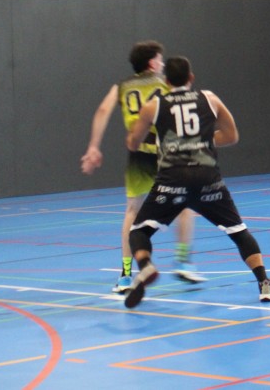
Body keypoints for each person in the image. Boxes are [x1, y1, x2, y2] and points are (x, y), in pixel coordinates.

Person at [122, 56, 270, 308]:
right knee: (238, 232)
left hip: (172, 180)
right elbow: (231, 135)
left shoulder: (154, 106)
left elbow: (133, 142)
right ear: (191, 78)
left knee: (139, 231)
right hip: (207, 179)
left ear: (166, 81)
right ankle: (265, 284)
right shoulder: (210, 98)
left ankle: (145, 266)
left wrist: (163, 141)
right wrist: (201, 140)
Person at [80, 40, 202, 293]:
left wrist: (94, 146)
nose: (163, 64)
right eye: (160, 59)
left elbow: (103, 110)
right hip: (166, 153)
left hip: (137, 156)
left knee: (132, 213)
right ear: (152, 63)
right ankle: (182, 261)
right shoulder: (165, 83)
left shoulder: (122, 86)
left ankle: (125, 275)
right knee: (185, 205)